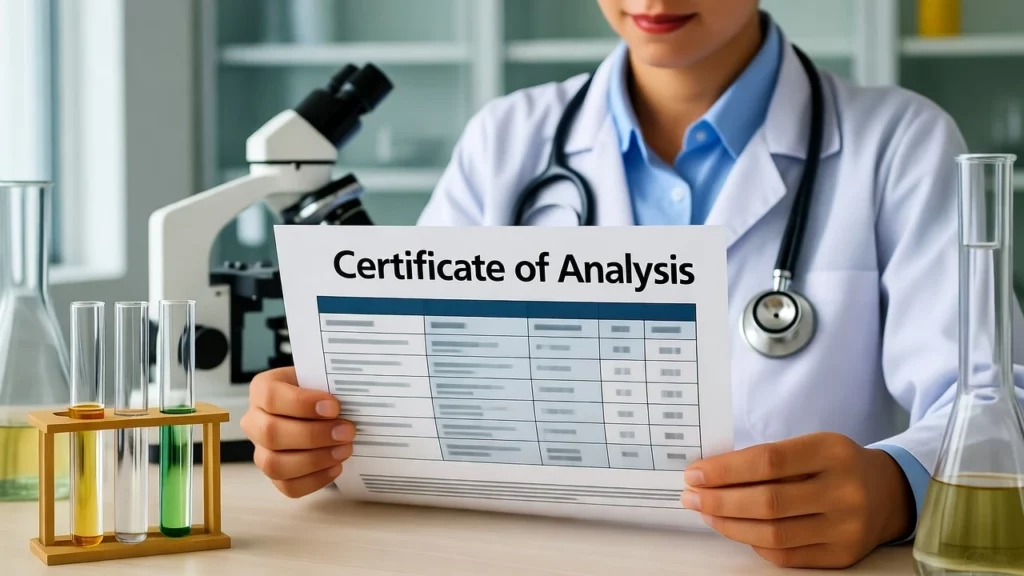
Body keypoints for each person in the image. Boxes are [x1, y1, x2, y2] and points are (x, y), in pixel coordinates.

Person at [241, 0, 1024, 570]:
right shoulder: (507, 139)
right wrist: (321, 424)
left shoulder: (899, 142)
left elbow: (992, 393)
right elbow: (414, 389)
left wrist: (896, 489)